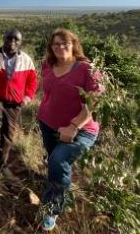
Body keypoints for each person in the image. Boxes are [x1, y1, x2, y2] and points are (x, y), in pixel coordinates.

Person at [37, 28, 103, 231]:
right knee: (54, 160)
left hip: (81, 129)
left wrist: (74, 125)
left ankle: (51, 209)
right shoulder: (48, 65)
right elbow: (48, 93)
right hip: (48, 124)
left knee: (58, 159)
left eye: (64, 43)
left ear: (74, 44)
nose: (60, 47)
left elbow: (96, 101)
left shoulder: (87, 69)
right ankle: (56, 183)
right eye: (55, 44)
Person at [0, 29, 37, 171]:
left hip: (14, 103)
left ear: (20, 42)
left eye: (16, 40)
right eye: (9, 38)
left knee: (8, 134)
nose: (12, 42)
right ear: (3, 38)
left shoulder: (26, 60)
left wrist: (27, 97)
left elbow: (32, 81)